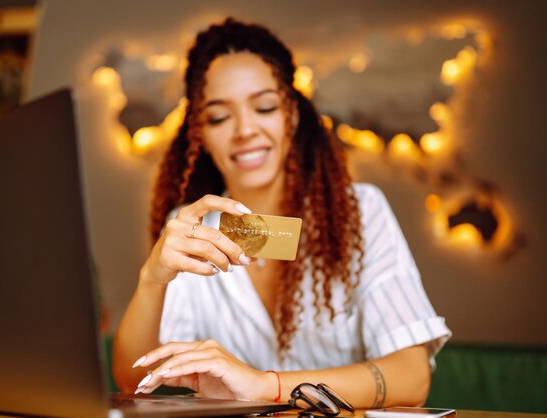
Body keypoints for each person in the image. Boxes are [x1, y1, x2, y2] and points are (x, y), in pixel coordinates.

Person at [112, 17, 451, 409]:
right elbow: (131, 377)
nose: (245, 130)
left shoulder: (361, 212)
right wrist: (151, 279)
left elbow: (411, 378)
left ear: (291, 114)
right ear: (199, 133)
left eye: (265, 107)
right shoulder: (191, 230)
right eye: (219, 117)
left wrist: (265, 385)